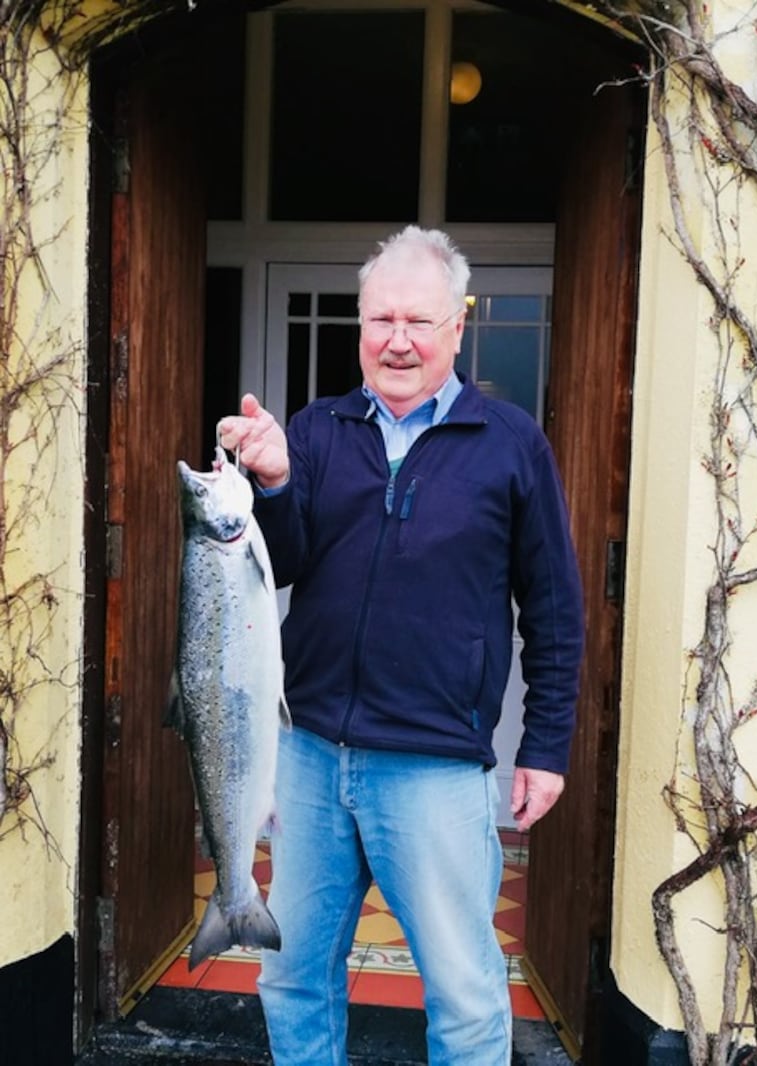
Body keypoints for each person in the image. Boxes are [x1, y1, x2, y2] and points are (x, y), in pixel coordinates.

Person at [217, 225, 584, 1066]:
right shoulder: (316, 429)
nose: (398, 340)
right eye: (381, 319)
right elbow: (283, 562)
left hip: (434, 766)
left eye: (419, 321)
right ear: (360, 327)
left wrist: (548, 746)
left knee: (461, 993)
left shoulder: (511, 443)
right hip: (308, 756)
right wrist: (272, 482)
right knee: (292, 979)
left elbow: (555, 610)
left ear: (458, 326)